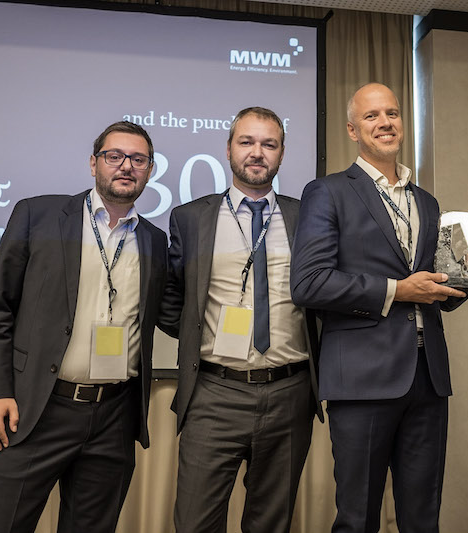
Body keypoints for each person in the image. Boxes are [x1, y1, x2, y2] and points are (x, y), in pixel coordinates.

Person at [290, 83, 468, 533]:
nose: (385, 123)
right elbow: (309, 283)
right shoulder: (327, 192)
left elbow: (436, 296)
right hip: (362, 380)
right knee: (357, 517)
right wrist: (396, 291)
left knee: (423, 518)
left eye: (393, 113)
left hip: (428, 378)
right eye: (372, 116)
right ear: (351, 130)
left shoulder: (427, 202)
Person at [0, 121, 168, 532]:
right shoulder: (37, 214)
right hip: (34, 410)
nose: (126, 166)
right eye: (114, 156)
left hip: (114, 415)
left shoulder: (154, 240)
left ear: (150, 170)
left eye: (138, 159)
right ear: (93, 163)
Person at [160, 106, 321, 533]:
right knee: (195, 522)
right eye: (247, 142)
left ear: (282, 154)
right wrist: (199, 335)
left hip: (291, 392)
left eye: (269, 144)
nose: (257, 153)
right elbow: (170, 296)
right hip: (214, 392)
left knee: (271, 522)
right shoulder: (191, 217)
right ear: (228, 149)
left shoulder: (306, 216)